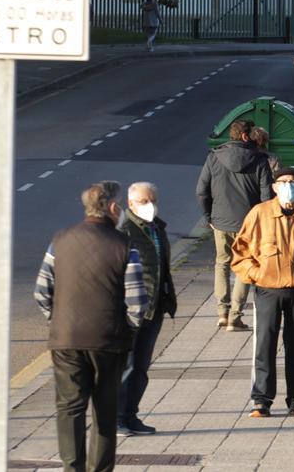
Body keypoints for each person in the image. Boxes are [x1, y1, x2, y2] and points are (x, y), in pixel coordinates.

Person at [33, 181, 148, 472]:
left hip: (65, 340)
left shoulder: (59, 240)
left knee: (69, 408)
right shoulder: (124, 246)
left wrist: (58, 321)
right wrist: (128, 330)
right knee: (105, 411)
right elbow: (137, 301)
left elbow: (41, 291)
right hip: (109, 341)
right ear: (111, 208)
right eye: (119, 204)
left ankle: (72, 467)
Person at [232, 167, 294, 417]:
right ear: (275, 186)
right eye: (283, 182)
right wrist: (257, 274)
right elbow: (240, 252)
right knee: (265, 343)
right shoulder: (260, 213)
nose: (289, 186)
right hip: (267, 288)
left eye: (293, 182)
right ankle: (261, 399)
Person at [197, 120, 274, 331]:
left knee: (222, 263)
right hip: (248, 223)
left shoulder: (214, 157)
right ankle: (235, 316)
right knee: (245, 266)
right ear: (245, 136)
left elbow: (201, 190)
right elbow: (267, 195)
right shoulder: (259, 160)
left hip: (220, 221)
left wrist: (209, 217)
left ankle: (222, 311)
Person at [116, 182, 178, 437]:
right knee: (125, 366)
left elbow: (162, 266)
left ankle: (131, 415)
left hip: (154, 308)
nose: (149, 205)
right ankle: (116, 418)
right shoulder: (123, 231)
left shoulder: (157, 228)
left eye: (152, 200)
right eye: (143, 201)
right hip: (129, 311)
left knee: (141, 367)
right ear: (130, 204)